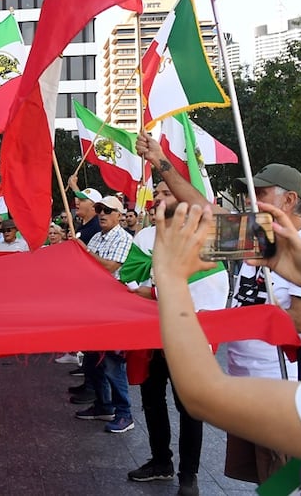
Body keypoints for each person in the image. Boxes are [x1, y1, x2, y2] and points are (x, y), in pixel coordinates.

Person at [137, 131, 301, 483]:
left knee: (286, 482)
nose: (250, 200)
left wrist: (214, 323)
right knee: (266, 481)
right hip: (245, 383)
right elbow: (204, 208)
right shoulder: (260, 239)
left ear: (289, 200)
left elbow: (300, 320)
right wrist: (160, 162)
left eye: (261, 193)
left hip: (281, 389)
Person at [124, 182, 204, 496]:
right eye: (157, 192)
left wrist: (155, 288)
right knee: (152, 399)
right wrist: (154, 288)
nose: (158, 197)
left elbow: (206, 284)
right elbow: (131, 277)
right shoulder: (145, 237)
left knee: (190, 407)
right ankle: (161, 461)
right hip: (151, 333)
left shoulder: (200, 237)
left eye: (166, 192)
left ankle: (189, 475)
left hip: (188, 335)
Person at [74, 195, 136, 434]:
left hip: (114, 306)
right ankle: (103, 405)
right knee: (92, 360)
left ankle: (124, 413)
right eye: (100, 209)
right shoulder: (98, 237)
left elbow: (110, 267)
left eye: (108, 210)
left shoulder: (123, 238)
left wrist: (83, 251)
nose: (102, 214)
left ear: (119, 215)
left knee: (112, 361)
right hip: (94, 304)